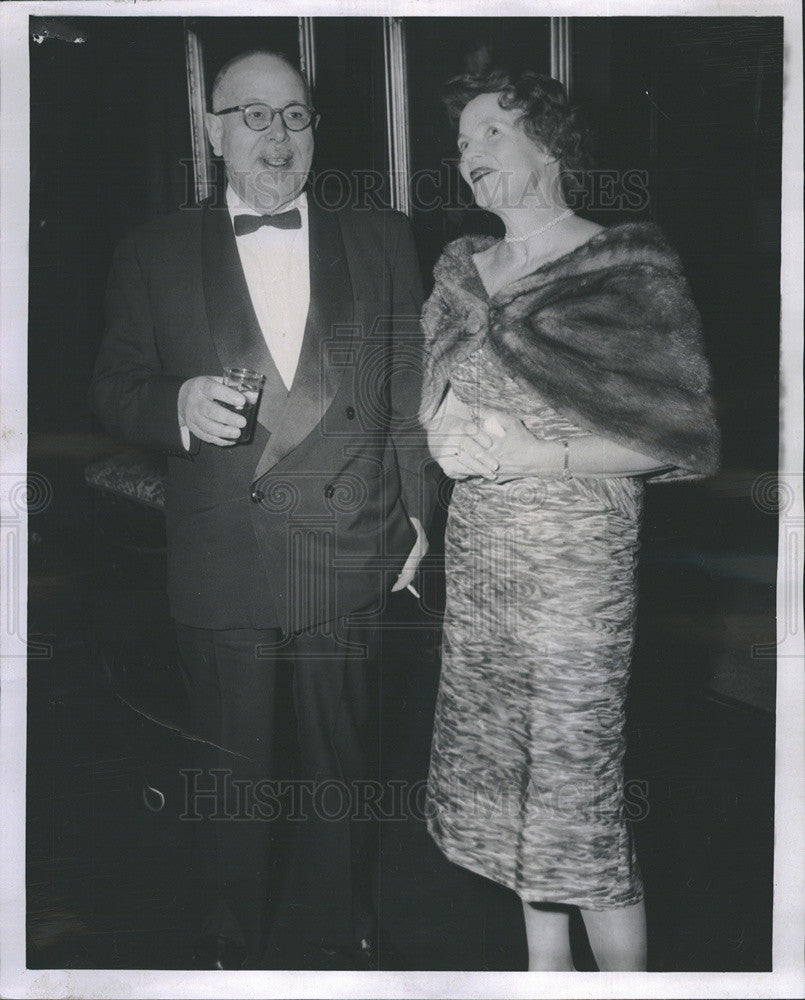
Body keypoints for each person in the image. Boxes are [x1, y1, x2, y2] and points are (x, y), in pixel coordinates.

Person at [91, 49, 437, 970]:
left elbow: (408, 392)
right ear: (212, 130)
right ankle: (229, 941)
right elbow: (110, 388)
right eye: (253, 116)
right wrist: (173, 403)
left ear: (317, 129)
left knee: (346, 761)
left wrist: (421, 517)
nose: (277, 137)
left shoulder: (384, 237)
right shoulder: (151, 249)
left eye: (295, 116)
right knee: (232, 767)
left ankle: (350, 924)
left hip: (350, 537)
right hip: (223, 550)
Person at [419, 67, 719, 972]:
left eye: (491, 134)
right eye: (463, 142)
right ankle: (545, 979)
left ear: (549, 144)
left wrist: (530, 454)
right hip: (482, 566)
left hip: (575, 571)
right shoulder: (459, 271)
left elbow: (673, 438)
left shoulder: (625, 268)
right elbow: (429, 398)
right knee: (507, 781)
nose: (469, 156)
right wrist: (444, 438)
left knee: (575, 797)